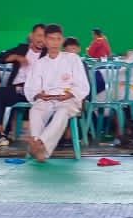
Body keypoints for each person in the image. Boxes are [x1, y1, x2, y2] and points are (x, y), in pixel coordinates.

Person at [23, 25, 89, 161]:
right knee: (36, 110)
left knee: (62, 112)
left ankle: (39, 144)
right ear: (45, 41)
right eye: (51, 39)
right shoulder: (39, 63)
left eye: (58, 39)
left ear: (62, 40)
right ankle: (37, 143)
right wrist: (39, 95)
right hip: (47, 98)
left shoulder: (73, 59)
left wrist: (70, 94)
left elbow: (82, 85)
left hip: (68, 98)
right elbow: (32, 87)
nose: (54, 42)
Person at [0, 24, 47, 147]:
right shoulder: (21, 49)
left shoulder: (48, 54)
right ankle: (0, 133)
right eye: (39, 35)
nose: (42, 39)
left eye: (44, 36)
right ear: (31, 36)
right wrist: (16, 57)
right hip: (16, 89)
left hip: (37, 91)